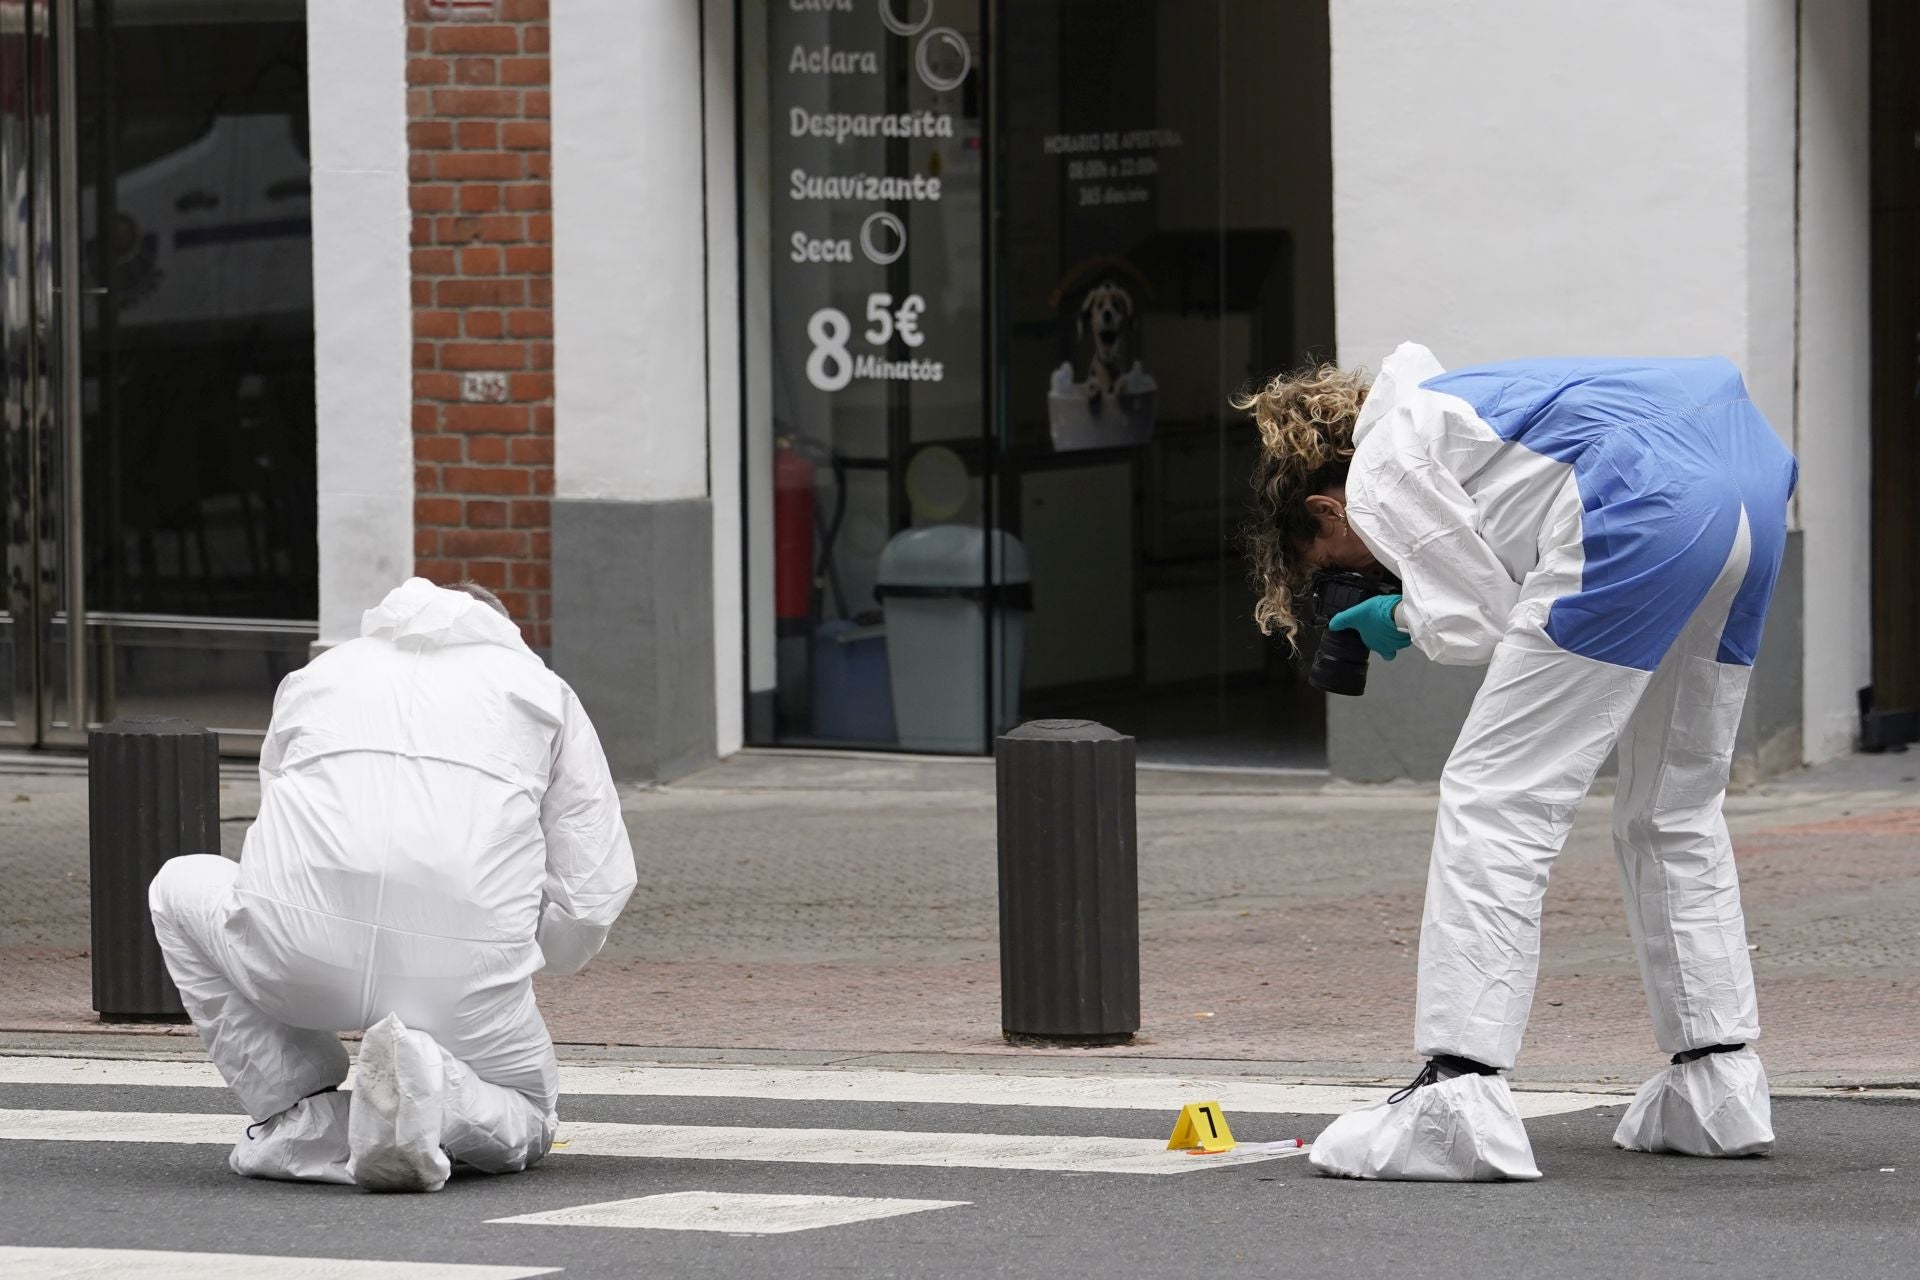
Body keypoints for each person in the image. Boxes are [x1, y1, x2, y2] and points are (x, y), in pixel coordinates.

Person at [1239, 343, 1795, 1181]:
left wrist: (1401, 614)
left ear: (1327, 510)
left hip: (1640, 503)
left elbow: (1473, 620)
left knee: (1495, 794)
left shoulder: (1388, 461)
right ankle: (1717, 1084)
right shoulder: (1464, 408)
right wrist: (1412, 602)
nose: (1358, 572)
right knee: (1672, 807)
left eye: (1334, 567)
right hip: (1749, 486)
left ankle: (1455, 1097)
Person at [148, 578, 636, 1192]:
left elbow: (282, 817)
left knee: (176, 883)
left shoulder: (318, 676)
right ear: (502, 629)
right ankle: (427, 1088)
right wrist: (543, 954)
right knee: (530, 1114)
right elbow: (592, 884)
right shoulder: (542, 692)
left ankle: (299, 1113)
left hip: (298, 959)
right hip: (458, 973)